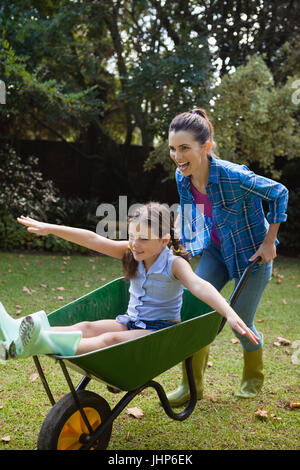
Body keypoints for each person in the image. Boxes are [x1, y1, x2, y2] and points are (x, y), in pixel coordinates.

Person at [0, 203, 259, 361]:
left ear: (164, 240)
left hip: (157, 332)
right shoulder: (133, 252)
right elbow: (94, 240)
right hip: (130, 321)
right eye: (132, 236)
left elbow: (199, 285)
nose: (135, 244)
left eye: (144, 238)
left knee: (109, 340)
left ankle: (39, 342)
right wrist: (51, 228)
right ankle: (18, 335)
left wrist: (228, 312)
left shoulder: (174, 263)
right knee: (87, 326)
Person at [167, 108, 289, 403]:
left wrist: (270, 242)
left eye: (184, 148)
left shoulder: (234, 176)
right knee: (194, 311)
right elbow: (192, 216)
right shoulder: (182, 177)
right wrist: (181, 246)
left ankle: (253, 378)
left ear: (205, 147)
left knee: (242, 320)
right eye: (172, 148)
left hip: (252, 257)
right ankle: (191, 387)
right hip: (216, 252)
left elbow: (279, 192)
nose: (177, 155)